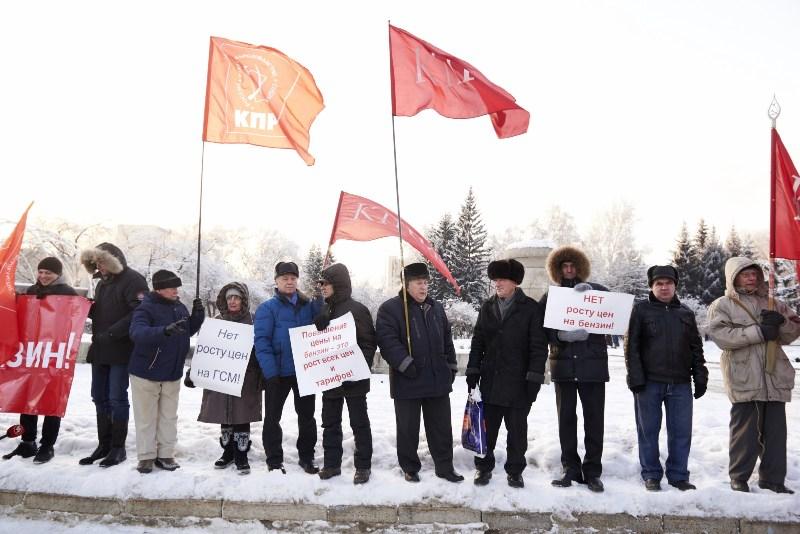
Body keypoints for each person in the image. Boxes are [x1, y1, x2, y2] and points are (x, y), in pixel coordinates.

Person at [707, 257, 799, 494]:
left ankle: (773, 479)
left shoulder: (773, 303)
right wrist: (758, 331)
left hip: (774, 376)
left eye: (754, 274)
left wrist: (781, 324)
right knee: (745, 433)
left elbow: (791, 334)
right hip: (745, 376)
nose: (751, 278)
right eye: (745, 274)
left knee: (776, 435)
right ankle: (739, 477)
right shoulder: (722, 305)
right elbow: (721, 336)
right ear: (733, 277)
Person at [376, 262, 463, 483]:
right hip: (408, 379)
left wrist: (451, 366)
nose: (423, 288)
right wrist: (406, 364)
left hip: (437, 380)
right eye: (418, 283)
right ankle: (410, 467)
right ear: (406, 285)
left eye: (425, 283)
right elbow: (387, 342)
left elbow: (447, 340)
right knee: (408, 429)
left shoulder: (437, 308)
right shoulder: (391, 309)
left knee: (441, 428)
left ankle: (444, 467)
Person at [465, 259, 548, 488]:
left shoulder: (530, 308)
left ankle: (515, 470)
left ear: (515, 282)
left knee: (517, 432)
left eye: (502, 279)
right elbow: (478, 341)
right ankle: (483, 468)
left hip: (518, 383)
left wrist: (534, 378)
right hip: (491, 380)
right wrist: (473, 370)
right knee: (486, 430)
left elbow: (539, 347)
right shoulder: (487, 306)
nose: (497, 284)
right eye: (495, 280)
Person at [625, 265, 708, 492]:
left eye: (668, 283)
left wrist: (700, 375)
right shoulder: (641, 311)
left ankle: (678, 475)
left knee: (681, 432)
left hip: (680, 383)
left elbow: (696, 348)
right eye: (659, 283)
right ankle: (651, 474)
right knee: (648, 431)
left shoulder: (686, 313)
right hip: (649, 383)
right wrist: (635, 377)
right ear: (652, 287)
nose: (664, 287)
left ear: (675, 285)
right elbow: (631, 347)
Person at [541, 245, 608, 492]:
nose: (569, 270)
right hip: (564, 368)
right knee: (566, 420)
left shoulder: (596, 292)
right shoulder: (551, 297)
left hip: (592, 367)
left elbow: (612, 314)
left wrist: (593, 294)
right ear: (558, 270)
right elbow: (541, 328)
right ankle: (570, 467)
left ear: (580, 268)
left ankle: (592, 471)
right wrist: (560, 336)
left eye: (572, 266)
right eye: (564, 267)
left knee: (594, 420)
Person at [79, 243, 148, 467]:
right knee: (99, 396)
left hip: (121, 348)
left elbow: (139, 311)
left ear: (114, 260)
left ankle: (118, 448)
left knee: (117, 397)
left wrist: (113, 332)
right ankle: (104, 444)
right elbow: (101, 311)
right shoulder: (101, 284)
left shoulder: (134, 280)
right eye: (96, 263)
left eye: (102, 261)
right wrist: (83, 307)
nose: (99, 266)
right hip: (100, 348)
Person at [128, 270, 204, 474]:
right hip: (147, 373)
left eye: (176, 287)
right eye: (171, 287)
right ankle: (145, 456)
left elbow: (186, 330)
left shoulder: (179, 307)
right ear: (158, 289)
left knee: (169, 417)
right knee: (146, 417)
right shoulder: (146, 308)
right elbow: (137, 333)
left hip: (172, 373)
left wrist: (197, 317)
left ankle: (166, 454)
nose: (175, 290)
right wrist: (163, 331)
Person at [2, 257, 77, 464]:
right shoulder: (31, 291)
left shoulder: (68, 294)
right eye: (41, 272)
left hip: (54, 355)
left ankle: (47, 445)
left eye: (49, 273)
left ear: (58, 274)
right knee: (28, 399)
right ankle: (28, 442)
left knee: (51, 399)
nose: (43, 276)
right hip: (32, 353)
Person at [313, 263, 377, 484]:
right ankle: (332, 464)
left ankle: (363, 466)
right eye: (320, 283)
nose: (322, 287)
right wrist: (318, 326)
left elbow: (369, 343)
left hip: (354, 380)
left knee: (359, 423)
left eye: (325, 283)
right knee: (330, 422)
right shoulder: (323, 309)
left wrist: (358, 368)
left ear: (337, 285)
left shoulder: (358, 310)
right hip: (330, 378)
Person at [254, 261, 321, 474]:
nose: (289, 282)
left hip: (304, 372)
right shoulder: (267, 308)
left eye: (293, 278)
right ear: (277, 281)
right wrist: (270, 373)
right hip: (278, 374)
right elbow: (262, 342)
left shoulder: (308, 305)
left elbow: (321, 329)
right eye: (285, 278)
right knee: (273, 418)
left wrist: (321, 307)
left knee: (307, 418)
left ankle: (307, 457)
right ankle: (274, 460)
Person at [194, 282, 263, 475]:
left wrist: (260, 369)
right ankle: (227, 452)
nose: (233, 301)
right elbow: (206, 350)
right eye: (229, 298)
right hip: (221, 376)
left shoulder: (252, 321)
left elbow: (261, 345)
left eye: (237, 298)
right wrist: (195, 372)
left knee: (242, 415)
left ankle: (241, 455)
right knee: (224, 413)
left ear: (243, 300)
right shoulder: (216, 321)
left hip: (246, 377)